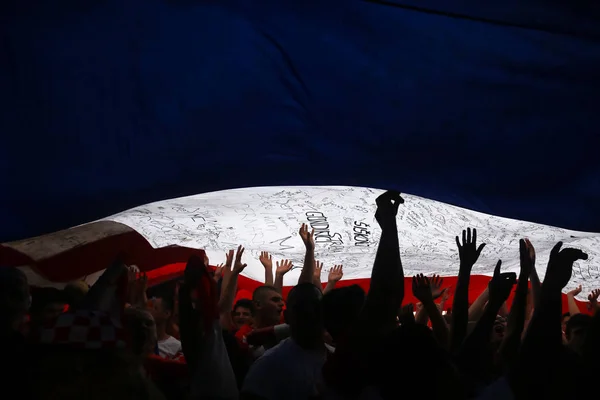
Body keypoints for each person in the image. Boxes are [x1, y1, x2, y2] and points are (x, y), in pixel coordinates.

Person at [241, 283, 328, 400]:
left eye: (316, 308)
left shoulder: (340, 359)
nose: (310, 313)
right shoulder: (268, 366)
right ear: (288, 316)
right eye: (302, 309)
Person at [149, 294, 182, 359]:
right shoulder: (143, 341)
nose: (150, 311)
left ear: (166, 313)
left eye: (155, 308)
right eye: (151, 307)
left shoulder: (176, 346)